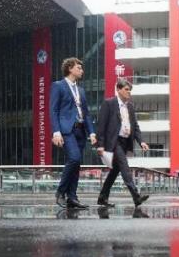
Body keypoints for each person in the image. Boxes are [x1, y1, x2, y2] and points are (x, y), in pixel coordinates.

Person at [95, 79, 150, 208]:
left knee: (114, 171)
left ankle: (102, 198)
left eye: (130, 90)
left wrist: (141, 141)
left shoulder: (130, 106)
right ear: (118, 89)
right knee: (125, 167)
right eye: (126, 89)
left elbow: (135, 126)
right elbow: (101, 125)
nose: (129, 92)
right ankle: (136, 196)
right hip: (114, 142)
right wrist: (100, 144)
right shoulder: (109, 103)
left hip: (125, 142)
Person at [51, 57, 97, 209]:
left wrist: (92, 132)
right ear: (70, 68)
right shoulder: (58, 86)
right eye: (79, 68)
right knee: (74, 158)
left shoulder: (81, 90)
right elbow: (53, 110)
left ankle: (72, 197)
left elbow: (86, 113)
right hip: (67, 130)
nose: (82, 71)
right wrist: (56, 132)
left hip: (81, 130)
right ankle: (60, 192)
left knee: (77, 164)